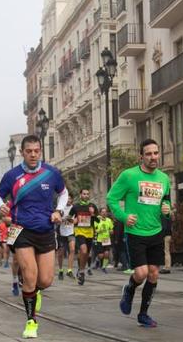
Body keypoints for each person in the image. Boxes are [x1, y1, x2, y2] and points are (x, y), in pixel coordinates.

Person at [0, 135, 67, 339]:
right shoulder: (12, 175)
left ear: (40, 151)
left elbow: (63, 193)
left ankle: (36, 290)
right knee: (29, 274)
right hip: (22, 230)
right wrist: (0, 206)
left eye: (36, 150)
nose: (33, 154)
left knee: (44, 280)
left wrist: (59, 212)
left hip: (45, 230)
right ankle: (31, 321)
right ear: (22, 152)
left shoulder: (51, 173)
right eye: (29, 151)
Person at [108, 140, 173, 327]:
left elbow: (165, 201)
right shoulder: (129, 176)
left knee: (153, 274)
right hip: (135, 231)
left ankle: (143, 314)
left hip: (156, 231)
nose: (153, 157)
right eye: (149, 154)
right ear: (141, 157)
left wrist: (166, 209)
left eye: (156, 153)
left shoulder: (164, 178)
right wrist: (123, 216)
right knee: (142, 273)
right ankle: (129, 288)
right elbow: (111, 198)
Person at [68, 189, 98, 284]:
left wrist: (93, 214)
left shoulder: (92, 206)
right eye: (84, 194)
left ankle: (81, 271)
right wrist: (73, 221)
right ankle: (81, 271)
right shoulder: (76, 206)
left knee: (86, 254)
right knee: (83, 250)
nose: (86, 195)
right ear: (80, 195)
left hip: (90, 232)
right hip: (79, 232)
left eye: (87, 194)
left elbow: (98, 221)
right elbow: (69, 218)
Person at [56, 201, 75, 280]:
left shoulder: (74, 208)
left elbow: (76, 221)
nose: (68, 200)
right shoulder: (60, 208)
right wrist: (62, 220)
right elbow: (56, 221)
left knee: (72, 249)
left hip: (71, 232)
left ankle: (69, 270)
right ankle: (60, 270)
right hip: (61, 233)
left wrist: (70, 220)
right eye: (67, 198)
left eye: (70, 198)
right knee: (61, 253)